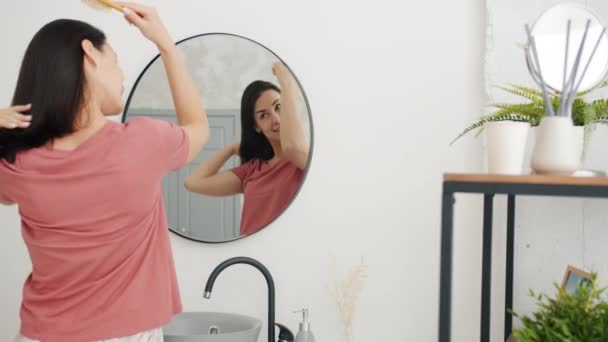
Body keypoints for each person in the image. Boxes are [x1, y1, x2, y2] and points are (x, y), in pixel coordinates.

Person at [0, 2, 209, 341]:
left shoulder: (18, 163)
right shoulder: (143, 143)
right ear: (90, 54)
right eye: (115, 59)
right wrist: (166, 46)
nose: (122, 75)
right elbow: (198, 127)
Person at [184, 63, 309, 236]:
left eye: (279, 107)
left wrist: (287, 84)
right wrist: (230, 148)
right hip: (252, 255)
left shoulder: (303, 157)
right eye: (264, 115)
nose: (276, 119)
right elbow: (192, 183)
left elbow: (292, 147)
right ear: (256, 126)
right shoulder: (253, 170)